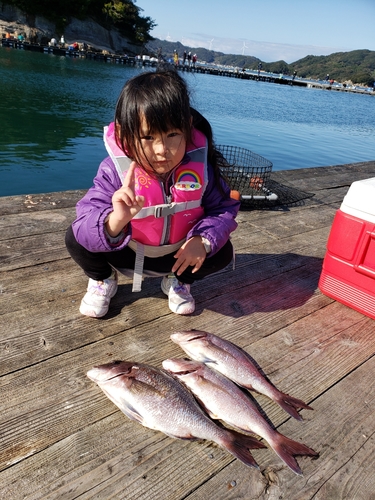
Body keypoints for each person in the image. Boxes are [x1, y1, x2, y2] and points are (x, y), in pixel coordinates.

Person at [65, 68, 240, 318]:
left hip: (176, 255)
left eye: (173, 135)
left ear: (188, 127)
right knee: (74, 237)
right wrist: (115, 221)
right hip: (127, 252)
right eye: (148, 137)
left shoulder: (202, 169)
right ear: (126, 134)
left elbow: (223, 208)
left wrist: (201, 240)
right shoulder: (113, 171)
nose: (162, 150)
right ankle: (103, 279)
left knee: (222, 250)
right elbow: (85, 224)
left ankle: (178, 281)